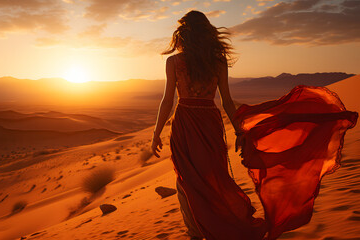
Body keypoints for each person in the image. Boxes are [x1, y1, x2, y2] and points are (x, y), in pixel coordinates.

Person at [150, 10, 358, 240]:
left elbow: (168, 100)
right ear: (207, 33)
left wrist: (156, 134)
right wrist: (239, 131)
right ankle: (206, 228)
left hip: (186, 122)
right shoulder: (217, 61)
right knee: (214, 177)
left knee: (186, 178)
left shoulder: (175, 61)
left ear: (184, 33)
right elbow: (227, 101)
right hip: (209, 122)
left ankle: (195, 232)